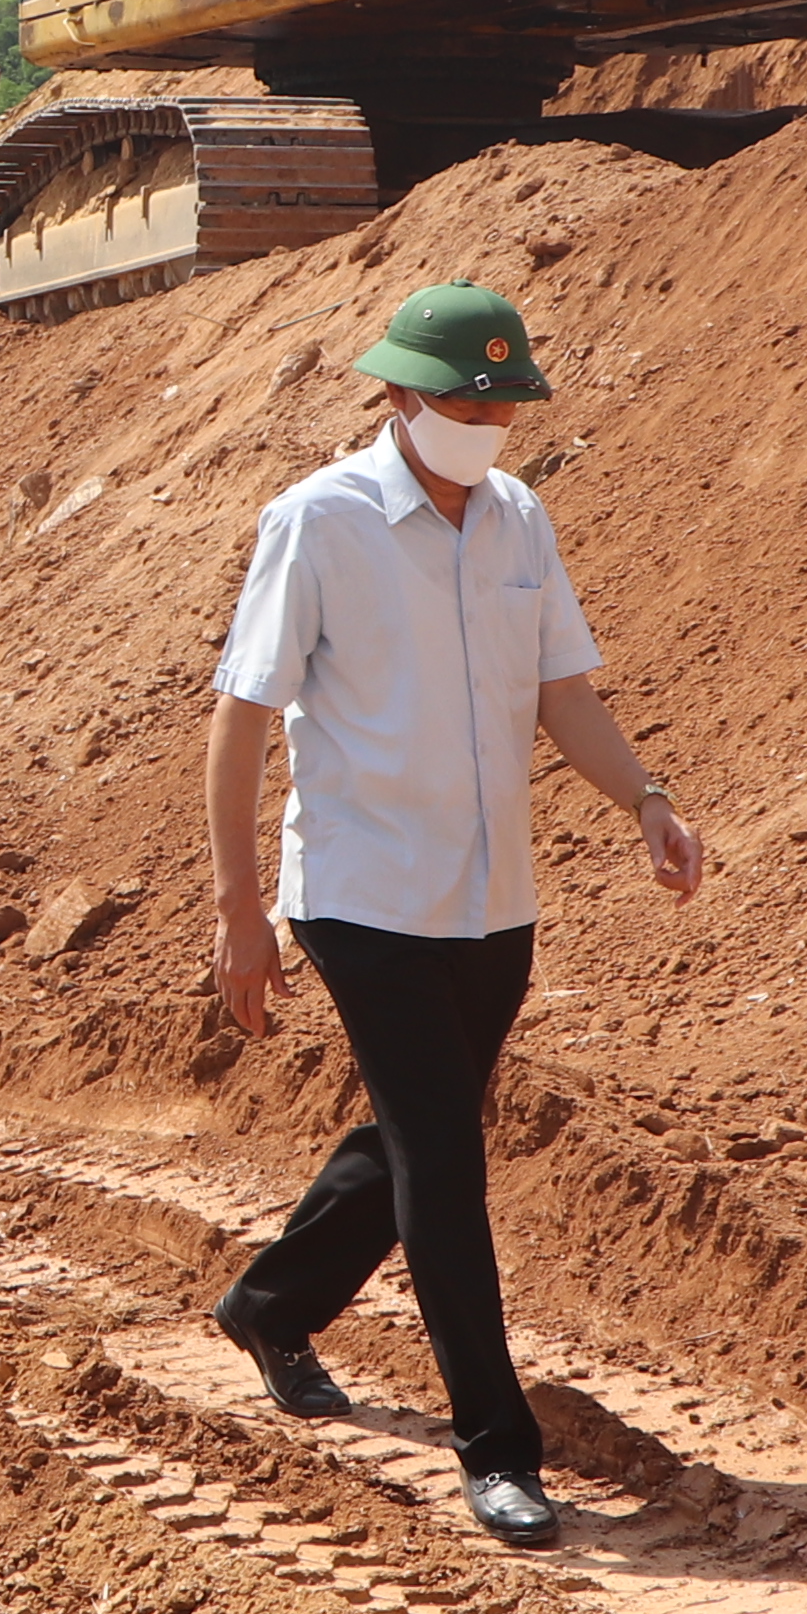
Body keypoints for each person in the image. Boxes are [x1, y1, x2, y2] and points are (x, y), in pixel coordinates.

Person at [201, 281, 705, 1547]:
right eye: (463, 394)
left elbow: (565, 695)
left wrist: (643, 799)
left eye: (503, 397)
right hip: (363, 893)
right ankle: (497, 1444)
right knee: (447, 1157)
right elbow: (243, 718)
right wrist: (239, 907)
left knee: (419, 1132)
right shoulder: (316, 523)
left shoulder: (521, 519)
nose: (485, 416)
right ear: (398, 392)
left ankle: (270, 1302)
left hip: (493, 898)